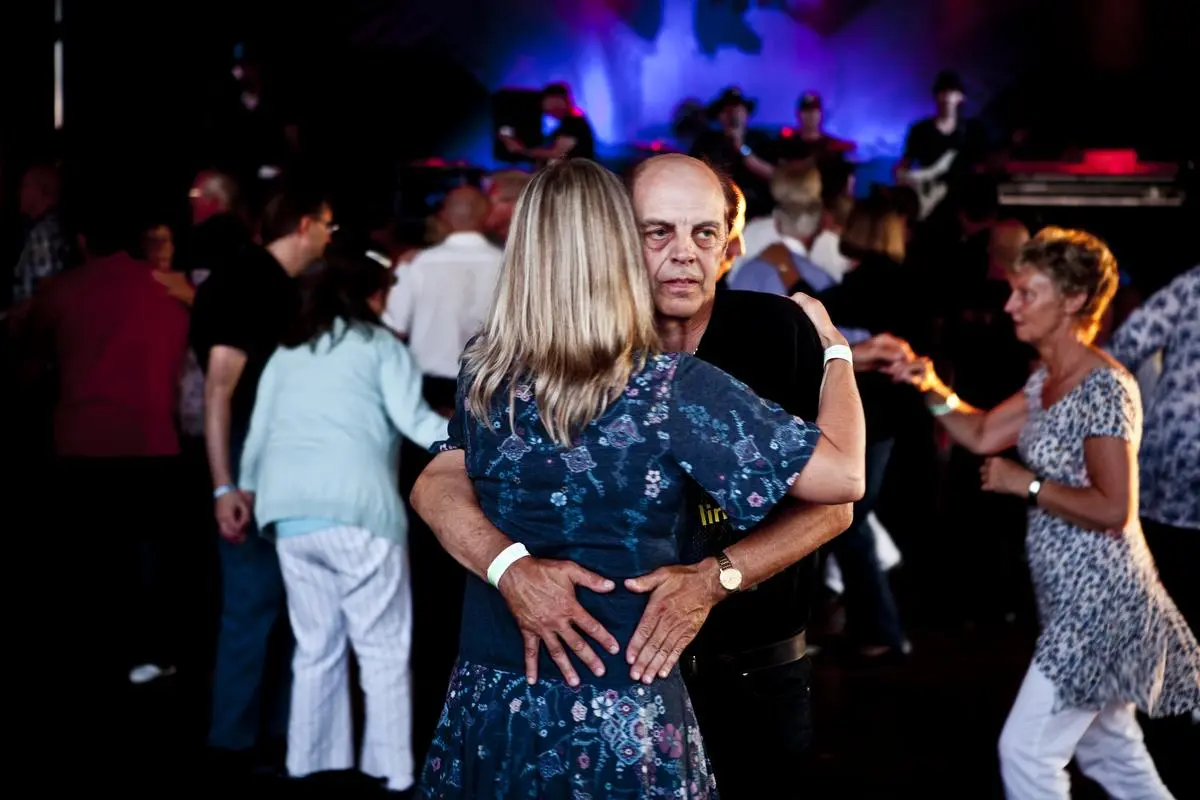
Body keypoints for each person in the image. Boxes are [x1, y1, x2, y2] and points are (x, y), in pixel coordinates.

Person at [414, 154, 875, 797]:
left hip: (717, 672)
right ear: (616, 241)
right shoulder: (652, 383)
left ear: (730, 243)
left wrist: (716, 578)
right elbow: (436, 482)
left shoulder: (491, 365)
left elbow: (836, 502)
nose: (684, 252)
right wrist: (509, 567)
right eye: (658, 231)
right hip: (618, 700)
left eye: (704, 232)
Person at [893, 228, 1199, 799]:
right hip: (1071, 599)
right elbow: (982, 432)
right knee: (1113, 754)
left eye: (1027, 293)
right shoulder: (1047, 381)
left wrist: (1027, 484)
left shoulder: (1104, 387)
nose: (1011, 305)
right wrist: (927, 384)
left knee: (1027, 752)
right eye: (1013, 291)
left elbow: (1114, 508)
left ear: (1074, 300)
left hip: (1101, 601)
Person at [239, 252, 447, 794]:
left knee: (315, 647)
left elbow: (258, 433)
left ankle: (308, 764)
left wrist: (242, 490)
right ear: (371, 295)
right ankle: (393, 771)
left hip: (288, 516)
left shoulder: (288, 351)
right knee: (381, 648)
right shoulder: (380, 345)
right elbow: (413, 419)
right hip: (359, 512)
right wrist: (471, 442)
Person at [189, 186, 336, 773]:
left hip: (277, 457)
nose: (329, 236)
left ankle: (276, 737)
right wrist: (224, 484)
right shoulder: (247, 280)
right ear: (304, 224)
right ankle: (236, 743)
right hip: (252, 456)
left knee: (290, 601)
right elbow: (219, 388)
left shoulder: (273, 282)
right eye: (326, 225)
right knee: (254, 602)